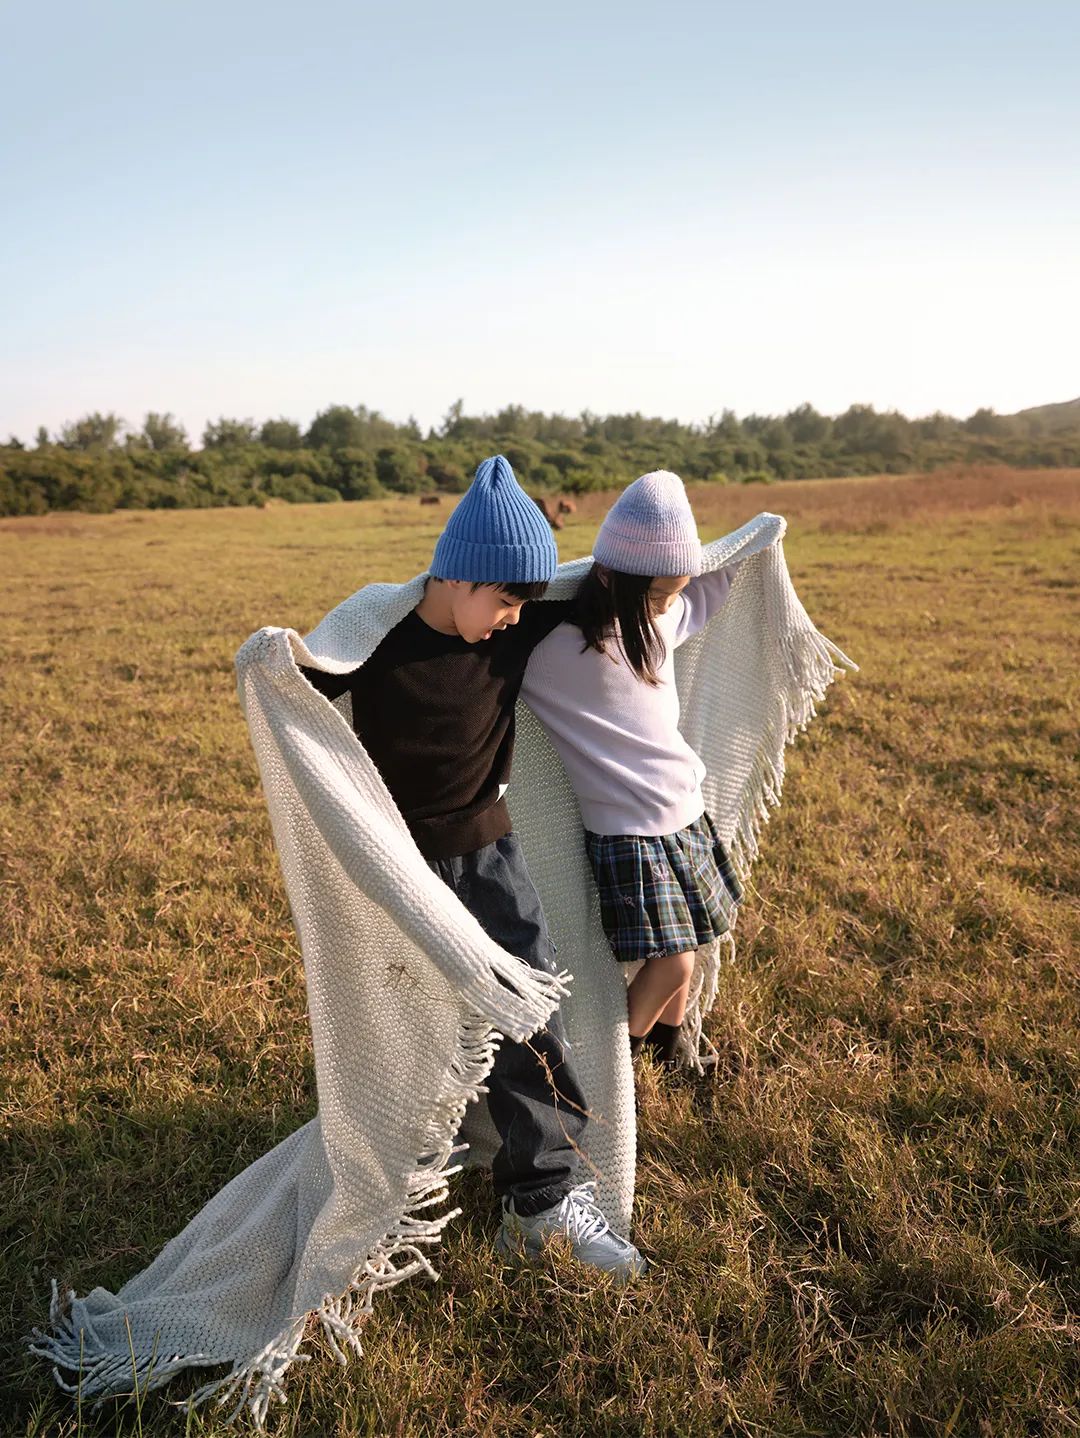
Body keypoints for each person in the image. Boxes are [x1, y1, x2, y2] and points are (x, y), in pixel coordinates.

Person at [299, 454, 646, 1279]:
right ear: (453, 576)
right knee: (406, 1030)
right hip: (397, 874)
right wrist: (267, 661)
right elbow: (298, 689)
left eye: (525, 601)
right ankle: (389, 1184)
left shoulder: (515, 623)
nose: (513, 617)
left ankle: (546, 1196)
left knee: (531, 1012)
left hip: (491, 861)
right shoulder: (376, 639)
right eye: (503, 599)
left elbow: (611, 584)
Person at [521, 470, 744, 1070]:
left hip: (685, 815)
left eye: (674, 589)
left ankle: (673, 1053)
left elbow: (703, 596)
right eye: (656, 593)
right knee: (670, 961)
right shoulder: (554, 653)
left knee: (691, 954)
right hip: (631, 834)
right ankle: (619, 1068)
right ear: (606, 576)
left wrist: (752, 542)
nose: (667, 603)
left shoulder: (659, 619)